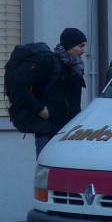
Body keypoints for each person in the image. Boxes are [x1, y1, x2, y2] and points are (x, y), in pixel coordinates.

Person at [34, 27, 88, 157]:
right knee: (48, 169)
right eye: (80, 45)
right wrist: (40, 109)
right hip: (48, 130)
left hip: (70, 130)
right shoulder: (50, 64)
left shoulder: (76, 67)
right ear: (69, 45)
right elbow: (24, 89)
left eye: (84, 46)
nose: (84, 50)